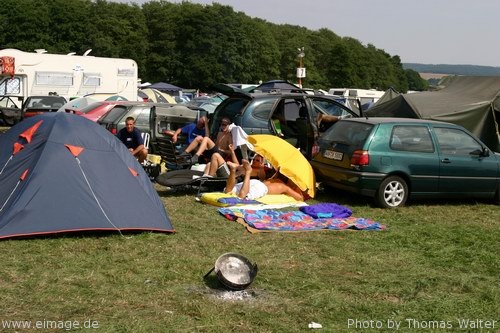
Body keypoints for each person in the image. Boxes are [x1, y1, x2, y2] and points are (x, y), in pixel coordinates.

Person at [224, 159, 304, 201]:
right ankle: (248, 171)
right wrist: (297, 185)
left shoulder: (274, 180)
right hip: (260, 188)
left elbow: (277, 173)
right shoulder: (284, 187)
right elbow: (300, 198)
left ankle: (233, 170)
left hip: (256, 183)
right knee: (242, 196)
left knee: (228, 191)